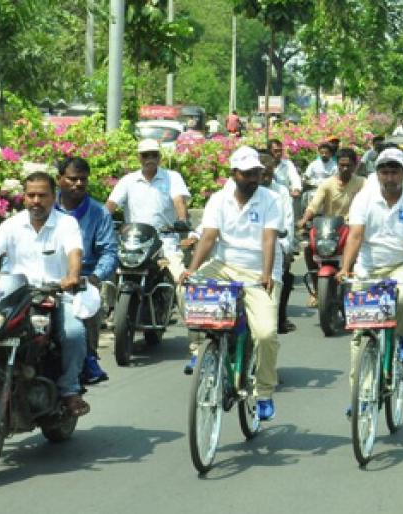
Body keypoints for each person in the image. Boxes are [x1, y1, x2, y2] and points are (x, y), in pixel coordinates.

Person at [0, 172, 90, 416]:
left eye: (42, 195)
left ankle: (69, 390)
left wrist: (72, 277)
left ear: (54, 196)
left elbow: (74, 254)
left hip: (53, 296)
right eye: (31, 195)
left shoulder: (66, 224)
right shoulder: (11, 225)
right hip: (15, 297)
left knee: (75, 333)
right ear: (23, 198)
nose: (36, 200)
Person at [180, 146, 283, 420]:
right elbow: (209, 237)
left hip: (259, 270)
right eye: (247, 173)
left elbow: (268, 239)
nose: (253, 178)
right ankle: (198, 347)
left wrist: (266, 274)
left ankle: (264, 393)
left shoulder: (271, 200)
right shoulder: (218, 199)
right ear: (234, 174)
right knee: (187, 289)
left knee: (265, 333)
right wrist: (192, 271)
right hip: (223, 266)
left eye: (257, 173)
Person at [339, 148, 403, 393]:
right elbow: (355, 235)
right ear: (377, 174)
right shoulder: (364, 198)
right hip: (368, 267)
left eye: (394, 172)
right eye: (385, 172)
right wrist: (346, 269)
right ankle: (361, 394)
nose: (390, 177)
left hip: (402, 264)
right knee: (360, 335)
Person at [105, 139, 192, 331]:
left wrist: (182, 220)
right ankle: (111, 308)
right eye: (146, 155)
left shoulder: (172, 177)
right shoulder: (128, 180)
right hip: (133, 240)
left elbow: (179, 201)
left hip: (164, 240)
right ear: (139, 157)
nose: (150, 159)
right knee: (106, 267)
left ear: (160, 157)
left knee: (181, 280)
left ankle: (195, 335)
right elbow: (110, 205)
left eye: (154, 154)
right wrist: (102, 222)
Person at [55, 157, 118, 385]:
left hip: (82, 280)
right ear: (59, 179)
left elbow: (110, 251)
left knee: (87, 306)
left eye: (83, 179)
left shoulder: (99, 213)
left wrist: (94, 278)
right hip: (46, 279)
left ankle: (89, 358)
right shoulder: (45, 211)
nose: (78, 184)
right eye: (72, 179)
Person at [298, 148, 366, 307]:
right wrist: (304, 219)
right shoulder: (327, 184)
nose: (344, 168)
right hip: (330, 230)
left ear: (355, 166)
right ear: (337, 164)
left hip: (353, 229)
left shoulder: (362, 183)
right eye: (341, 165)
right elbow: (314, 206)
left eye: (348, 165)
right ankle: (316, 289)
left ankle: (358, 290)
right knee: (309, 249)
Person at [257, 149, 298, 334]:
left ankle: (280, 318)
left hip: (275, 247)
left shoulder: (280, 192)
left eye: (269, 175)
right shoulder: (240, 190)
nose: (265, 179)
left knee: (284, 276)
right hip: (246, 251)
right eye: (262, 174)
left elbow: (287, 221)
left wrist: (284, 248)